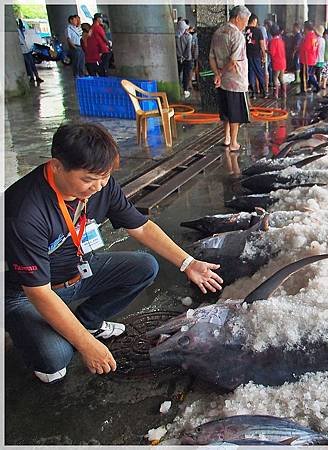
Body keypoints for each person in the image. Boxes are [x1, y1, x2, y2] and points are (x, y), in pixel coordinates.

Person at [4, 123, 223, 384]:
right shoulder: (25, 212)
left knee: (144, 266)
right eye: (87, 179)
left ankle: (89, 322)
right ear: (56, 166)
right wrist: (86, 346)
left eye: (104, 178)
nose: (97, 187)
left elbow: (141, 227)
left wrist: (188, 262)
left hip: (77, 272)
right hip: (26, 294)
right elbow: (38, 292)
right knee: (56, 359)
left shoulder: (101, 185)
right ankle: (34, 335)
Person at [209, 5, 251, 151]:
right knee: (235, 113)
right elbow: (233, 62)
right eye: (245, 21)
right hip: (235, 80)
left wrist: (217, 73)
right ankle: (233, 142)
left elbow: (211, 57)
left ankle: (226, 138)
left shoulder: (218, 32)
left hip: (222, 82)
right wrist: (221, 73)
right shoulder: (237, 36)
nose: (246, 24)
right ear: (238, 18)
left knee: (226, 111)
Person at [245, 14, 267, 99]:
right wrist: (264, 55)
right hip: (256, 55)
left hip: (247, 54)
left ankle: (253, 93)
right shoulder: (258, 31)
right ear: (254, 20)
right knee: (259, 72)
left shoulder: (245, 30)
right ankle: (264, 91)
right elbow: (262, 44)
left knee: (251, 72)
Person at [17, 19, 43, 84]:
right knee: (28, 65)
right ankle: (32, 77)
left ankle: (36, 77)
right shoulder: (17, 31)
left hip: (27, 49)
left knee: (32, 64)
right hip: (23, 51)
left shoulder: (20, 30)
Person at [298, 21, 319, 94]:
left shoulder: (308, 37)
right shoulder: (315, 36)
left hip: (306, 59)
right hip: (312, 59)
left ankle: (305, 89)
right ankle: (315, 86)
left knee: (305, 75)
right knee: (310, 74)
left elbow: (305, 48)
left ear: (306, 28)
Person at [176, 20, 194, 98]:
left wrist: (180, 57)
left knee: (178, 73)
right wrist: (185, 57)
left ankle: (179, 89)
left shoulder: (175, 37)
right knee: (186, 75)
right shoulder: (189, 36)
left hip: (178, 58)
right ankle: (185, 90)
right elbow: (188, 49)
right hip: (187, 59)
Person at [268, 24, 287, 98]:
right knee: (281, 78)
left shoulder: (272, 41)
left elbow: (272, 53)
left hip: (276, 62)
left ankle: (275, 94)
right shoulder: (281, 40)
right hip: (283, 62)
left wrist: (266, 51)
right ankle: (284, 93)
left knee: (275, 78)